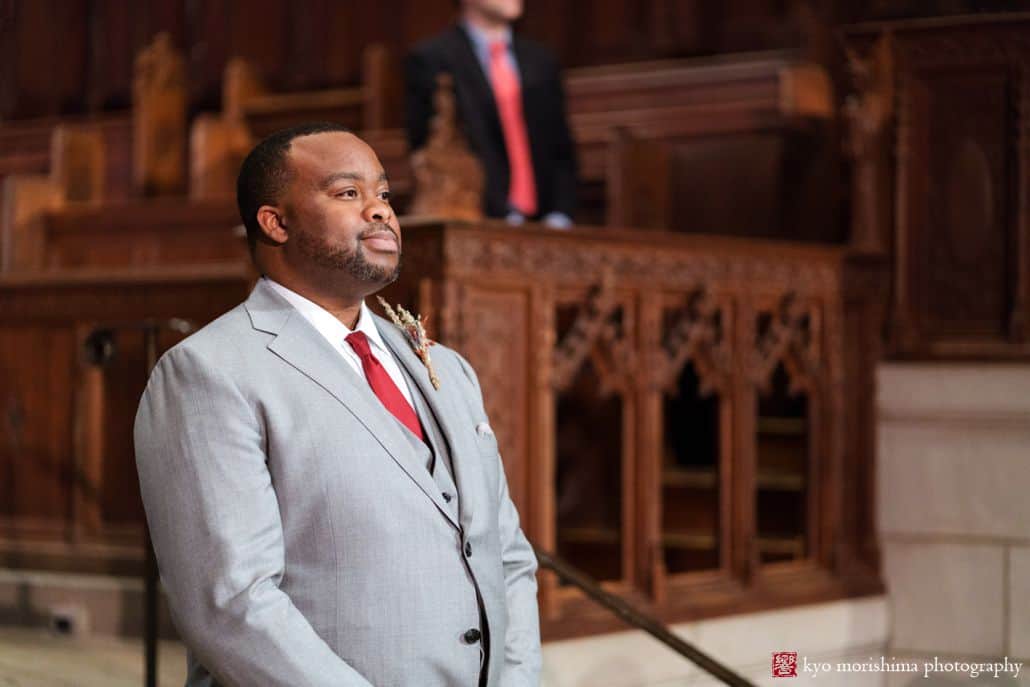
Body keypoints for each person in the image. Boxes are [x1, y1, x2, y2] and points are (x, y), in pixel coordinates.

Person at [134, 121, 541, 687]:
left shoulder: (446, 367)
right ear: (275, 223)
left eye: (384, 194)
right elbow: (232, 604)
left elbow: (508, 559)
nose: (379, 211)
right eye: (349, 193)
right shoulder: (208, 372)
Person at [405, 0, 577, 228]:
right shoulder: (432, 59)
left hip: (544, 223)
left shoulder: (541, 60)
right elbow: (428, 147)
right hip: (474, 218)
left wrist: (559, 215)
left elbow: (560, 146)